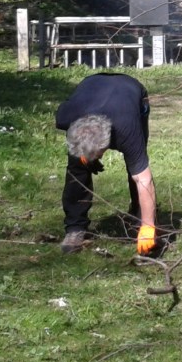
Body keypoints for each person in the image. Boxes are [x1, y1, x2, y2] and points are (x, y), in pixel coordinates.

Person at [55, 72, 159, 257]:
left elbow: (143, 178)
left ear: (106, 145)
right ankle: (75, 228)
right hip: (92, 85)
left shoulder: (127, 129)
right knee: (76, 168)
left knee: (135, 165)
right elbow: (78, 144)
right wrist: (85, 158)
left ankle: (140, 217)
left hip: (129, 91)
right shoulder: (65, 116)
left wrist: (148, 226)